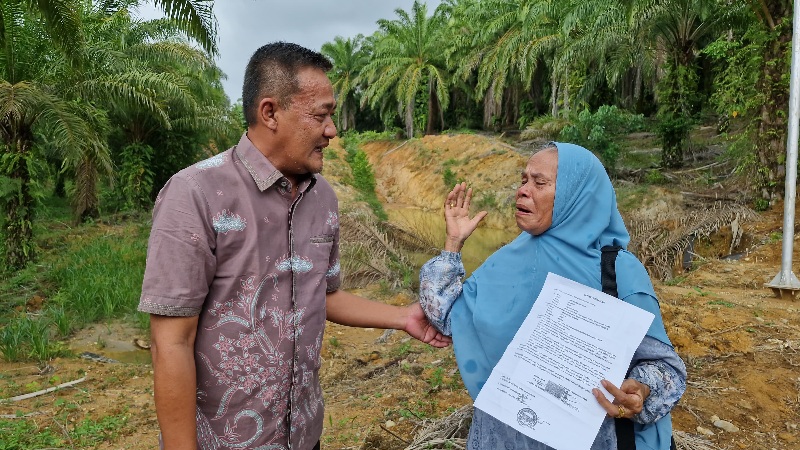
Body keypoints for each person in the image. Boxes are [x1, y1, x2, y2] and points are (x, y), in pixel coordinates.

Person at [138, 42, 450, 450]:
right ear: (270, 113)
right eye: (320, 115)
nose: (332, 131)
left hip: (303, 436)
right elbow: (171, 341)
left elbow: (323, 294)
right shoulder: (195, 194)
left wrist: (403, 317)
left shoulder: (323, 199)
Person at [419, 143, 687, 450]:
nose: (522, 190)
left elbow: (666, 369)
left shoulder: (616, 270)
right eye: (523, 180)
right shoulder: (506, 262)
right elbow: (447, 317)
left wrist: (640, 389)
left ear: (577, 195)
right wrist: (453, 242)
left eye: (539, 182)